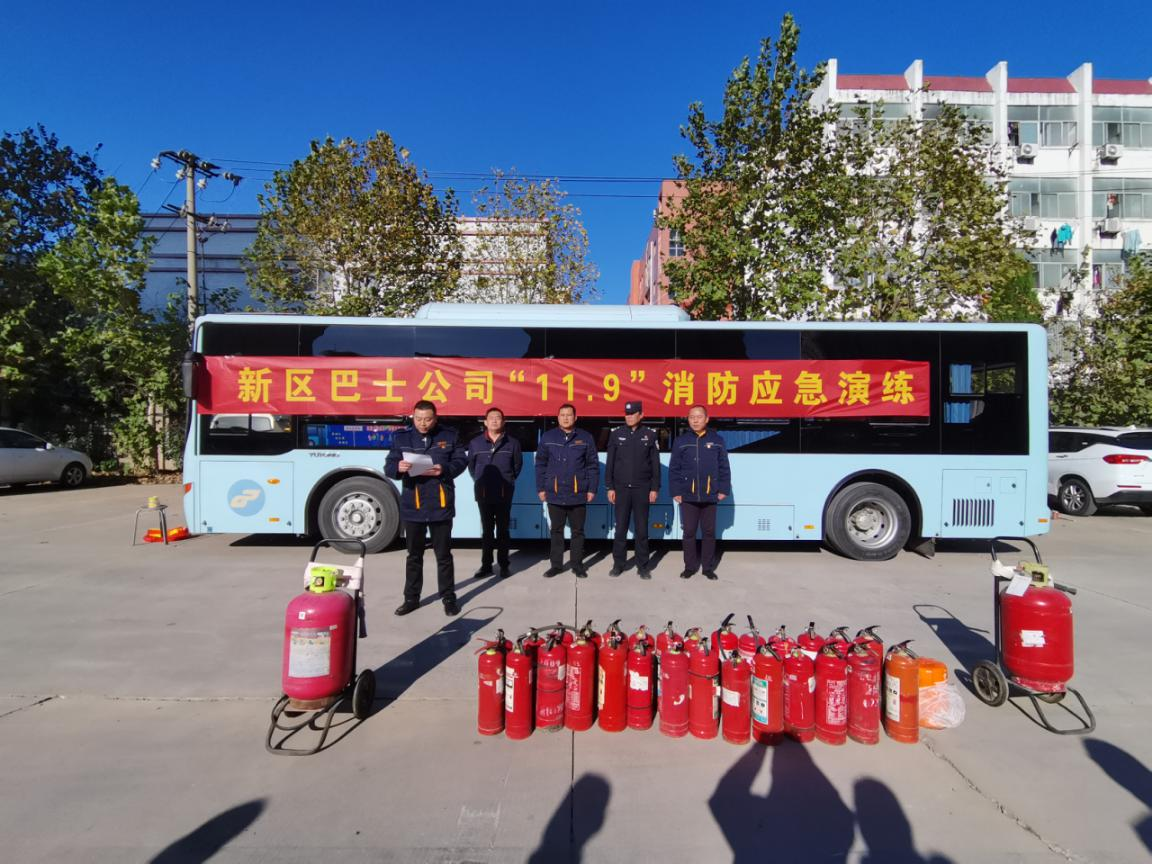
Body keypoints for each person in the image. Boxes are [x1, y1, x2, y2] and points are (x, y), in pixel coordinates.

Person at [385, 400, 467, 616]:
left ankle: (448, 598)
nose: (423, 423)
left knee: (444, 555)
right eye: (419, 419)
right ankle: (411, 599)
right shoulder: (401, 438)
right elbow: (389, 466)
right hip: (414, 504)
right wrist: (398, 467)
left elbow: (461, 460)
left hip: (441, 503)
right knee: (414, 556)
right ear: (413, 417)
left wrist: (444, 468)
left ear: (435, 419)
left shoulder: (449, 435)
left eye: (428, 419)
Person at [536, 403, 598, 578]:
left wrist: (592, 489)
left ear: (575, 417)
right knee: (556, 531)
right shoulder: (548, 437)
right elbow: (540, 464)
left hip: (578, 492)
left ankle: (577, 565)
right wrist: (541, 488)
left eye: (569, 415)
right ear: (558, 418)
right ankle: (556, 565)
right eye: (562, 415)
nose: (565, 418)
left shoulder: (585, 438)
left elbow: (592, 465)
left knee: (578, 531)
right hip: (554, 492)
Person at [669, 405, 731, 580]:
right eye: (691, 417)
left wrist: (723, 489)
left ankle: (707, 568)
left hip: (710, 494)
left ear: (706, 419)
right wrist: (676, 491)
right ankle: (689, 567)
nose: (695, 420)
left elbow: (724, 467)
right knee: (689, 532)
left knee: (709, 532)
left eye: (699, 417)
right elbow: (674, 468)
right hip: (688, 495)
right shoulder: (681, 441)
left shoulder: (717, 440)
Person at [605, 400, 660, 579]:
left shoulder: (650, 435)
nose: (628, 416)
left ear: (641, 415)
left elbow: (655, 465)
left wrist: (654, 488)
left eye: (632, 413)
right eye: (627, 414)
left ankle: (643, 566)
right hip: (621, 489)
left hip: (642, 489)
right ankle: (618, 564)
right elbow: (610, 463)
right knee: (620, 529)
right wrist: (610, 487)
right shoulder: (616, 434)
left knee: (642, 530)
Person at [467, 406, 522, 579]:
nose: (494, 421)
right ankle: (486, 565)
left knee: (503, 530)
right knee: (487, 530)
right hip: (483, 493)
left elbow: (517, 467)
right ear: (485, 422)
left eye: (498, 418)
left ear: (503, 422)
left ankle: (504, 565)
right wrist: (480, 481)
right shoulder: (475, 443)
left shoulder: (512, 443)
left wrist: (508, 481)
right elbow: (471, 467)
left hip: (504, 493)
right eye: (491, 418)